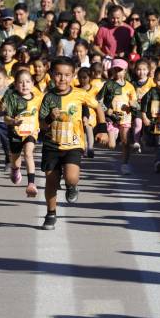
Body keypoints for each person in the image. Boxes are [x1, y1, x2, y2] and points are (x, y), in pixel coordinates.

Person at [37, 57, 104, 230]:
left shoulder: (80, 94)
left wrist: (102, 128)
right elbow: (42, 125)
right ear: (51, 75)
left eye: (67, 75)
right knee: (51, 181)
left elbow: (98, 107)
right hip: (52, 145)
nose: (62, 79)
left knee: (72, 176)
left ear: (73, 75)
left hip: (73, 144)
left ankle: (71, 186)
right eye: (58, 74)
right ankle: (51, 213)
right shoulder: (48, 97)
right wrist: (50, 117)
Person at [2, 67, 42, 197]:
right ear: (15, 84)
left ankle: (31, 183)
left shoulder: (38, 98)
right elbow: (6, 118)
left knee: (28, 153)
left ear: (32, 83)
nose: (24, 85)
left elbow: (45, 113)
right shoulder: (12, 98)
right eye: (20, 82)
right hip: (15, 133)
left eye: (27, 82)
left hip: (31, 132)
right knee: (15, 158)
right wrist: (14, 122)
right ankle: (15, 169)